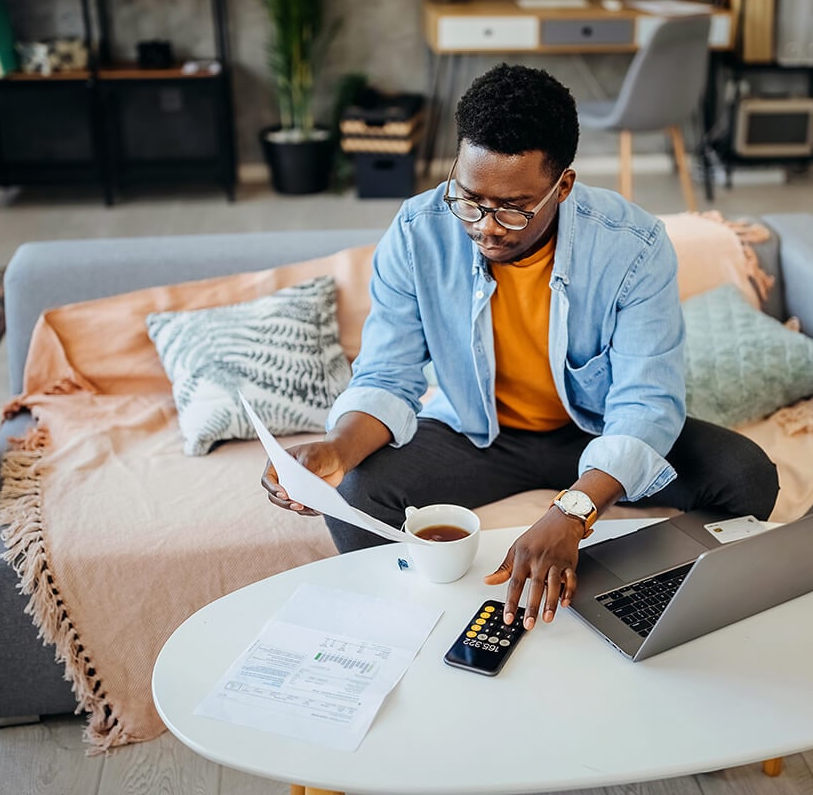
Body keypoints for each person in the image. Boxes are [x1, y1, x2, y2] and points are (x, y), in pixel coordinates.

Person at [264, 63, 778, 631]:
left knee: (746, 475)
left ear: (563, 186)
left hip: (595, 427)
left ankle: (630, 595)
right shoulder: (417, 232)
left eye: (513, 206)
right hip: (477, 432)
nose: (486, 227)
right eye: (469, 198)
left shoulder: (633, 246)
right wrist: (337, 447)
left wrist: (575, 511)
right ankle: (410, 627)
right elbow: (388, 375)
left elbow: (646, 403)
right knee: (359, 488)